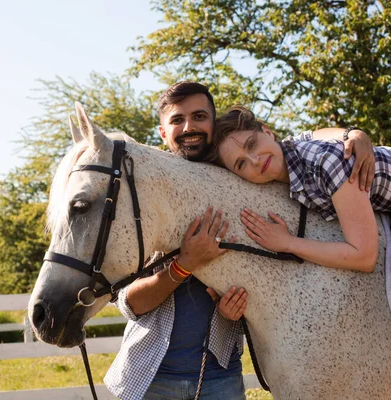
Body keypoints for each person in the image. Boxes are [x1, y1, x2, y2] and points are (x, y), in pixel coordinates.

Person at [103, 82, 376, 400]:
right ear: (163, 132)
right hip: (151, 373)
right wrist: (184, 265)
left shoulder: (243, 171)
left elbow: (301, 142)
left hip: (218, 373)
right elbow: (129, 304)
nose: (189, 127)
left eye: (199, 116)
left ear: (213, 122)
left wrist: (353, 135)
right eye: (178, 120)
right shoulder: (150, 194)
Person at [210, 105, 391, 315]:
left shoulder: (326, 163)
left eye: (252, 144)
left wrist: (288, 243)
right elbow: (315, 133)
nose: (255, 161)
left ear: (267, 132)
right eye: (241, 164)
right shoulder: (292, 151)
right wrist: (350, 132)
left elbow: (364, 257)